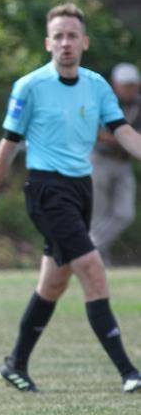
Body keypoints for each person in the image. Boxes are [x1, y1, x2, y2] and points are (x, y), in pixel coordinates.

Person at [0, 4, 141, 394]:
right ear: (49, 43)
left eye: (72, 36)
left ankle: (15, 364)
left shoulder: (97, 86)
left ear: (84, 42)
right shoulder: (29, 86)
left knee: (53, 284)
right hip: (47, 191)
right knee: (93, 269)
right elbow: (7, 146)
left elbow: (123, 132)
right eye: (59, 36)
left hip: (82, 190)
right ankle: (129, 372)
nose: (66, 42)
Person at [90, 63, 141, 265]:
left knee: (124, 214)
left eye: (133, 85)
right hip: (99, 160)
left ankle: (87, 248)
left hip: (123, 162)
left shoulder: (138, 105)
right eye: (126, 85)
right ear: (115, 84)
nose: (130, 89)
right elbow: (96, 134)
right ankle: (98, 261)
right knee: (97, 214)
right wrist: (125, 138)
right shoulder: (103, 101)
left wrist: (119, 138)